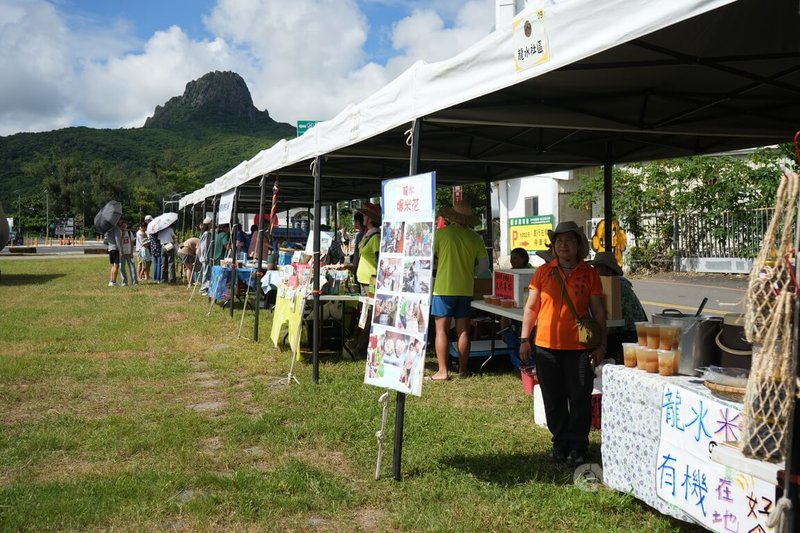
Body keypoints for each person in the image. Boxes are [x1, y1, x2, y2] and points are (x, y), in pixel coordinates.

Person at [519, 221, 606, 466]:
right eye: (558, 241)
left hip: (579, 349)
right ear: (553, 245)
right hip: (545, 347)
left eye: (569, 240)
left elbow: (599, 313)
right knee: (553, 397)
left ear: (578, 245)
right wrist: (525, 339)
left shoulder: (590, 274)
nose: (563, 245)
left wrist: (601, 346)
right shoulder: (543, 272)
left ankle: (578, 446)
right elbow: (531, 307)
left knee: (579, 397)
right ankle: (560, 443)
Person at [428, 200, 489, 381]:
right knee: (463, 331)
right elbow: (484, 266)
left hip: (443, 288)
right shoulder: (475, 238)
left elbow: (430, 256)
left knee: (441, 331)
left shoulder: (442, 234)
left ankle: (442, 371)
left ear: (452, 217)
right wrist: (471, 273)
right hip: (466, 288)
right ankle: (463, 370)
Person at [588, 251, 647, 363]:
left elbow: (612, 322)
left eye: (598, 267)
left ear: (608, 269)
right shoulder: (614, 283)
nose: (595, 270)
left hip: (629, 333)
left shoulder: (616, 284)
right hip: (631, 331)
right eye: (594, 267)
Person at [346, 203, 382, 357]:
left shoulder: (375, 237)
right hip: (363, 279)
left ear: (371, 219)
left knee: (369, 313)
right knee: (364, 313)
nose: (364, 218)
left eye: (366, 216)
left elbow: (379, 259)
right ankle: (357, 340)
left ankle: (361, 345)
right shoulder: (368, 235)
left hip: (371, 280)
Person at [118, 219, 138, 286]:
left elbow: (132, 243)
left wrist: (131, 252)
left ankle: (134, 282)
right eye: (122, 225)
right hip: (122, 254)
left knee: (132, 267)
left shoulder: (130, 233)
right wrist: (122, 235)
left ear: (126, 226)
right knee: (122, 268)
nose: (124, 226)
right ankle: (124, 282)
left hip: (129, 253)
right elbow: (118, 242)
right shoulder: (119, 233)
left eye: (125, 224)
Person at [105, 219, 123, 287]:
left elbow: (106, 237)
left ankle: (111, 281)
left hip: (110, 248)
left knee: (113, 265)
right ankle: (114, 281)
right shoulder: (116, 228)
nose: (121, 222)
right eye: (121, 220)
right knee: (116, 265)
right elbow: (117, 239)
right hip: (115, 248)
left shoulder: (109, 228)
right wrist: (120, 250)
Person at [198, 217, 213, 295]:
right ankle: (203, 289)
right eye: (211, 223)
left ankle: (206, 288)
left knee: (207, 272)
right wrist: (206, 256)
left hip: (205, 256)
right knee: (206, 272)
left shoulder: (205, 233)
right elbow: (204, 246)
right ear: (208, 224)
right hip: (205, 256)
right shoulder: (207, 233)